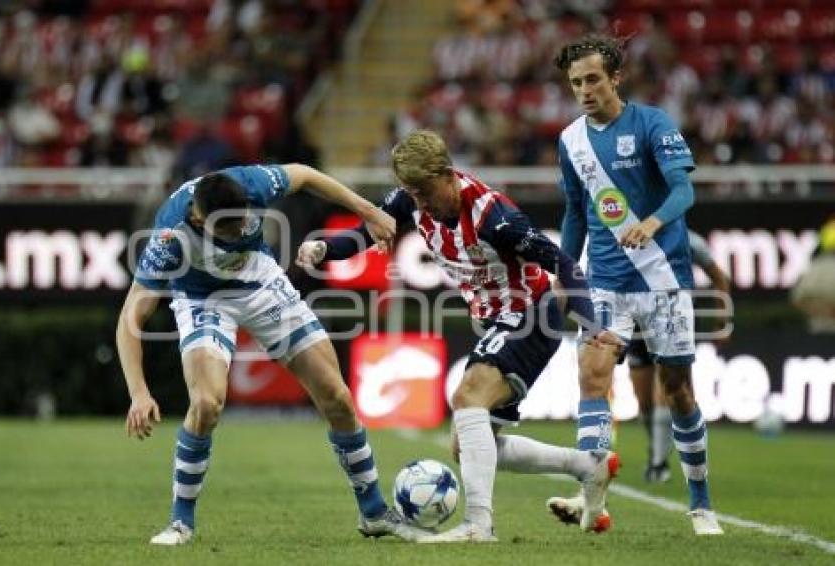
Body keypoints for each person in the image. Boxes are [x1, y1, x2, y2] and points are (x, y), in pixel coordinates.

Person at [296, 130, 622, 543]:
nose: (420, 203)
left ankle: (478, 526)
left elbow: (567, 266)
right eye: (412, 194)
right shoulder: (410, 202)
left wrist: (592, 327)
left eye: (425, 192)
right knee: (467, 446)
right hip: (498, 321)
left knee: (467, 397)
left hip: (530, 316)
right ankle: (588, 466)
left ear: (447, 174)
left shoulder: (494, 216)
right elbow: (363, 234)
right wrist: (324, 249)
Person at [115, 163, 426, 545]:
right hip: (204, 299)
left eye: (242, 222)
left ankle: (374, 513)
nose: (239, 231)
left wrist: (369, 211)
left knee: (338, 398)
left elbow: (306, 175)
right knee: (207, 404)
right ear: (198, 218)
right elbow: (131, 316)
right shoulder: (169, 236)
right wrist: (138, 393)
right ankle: (181, 522)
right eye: (226, 230)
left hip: (261, 283)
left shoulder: (251, 184)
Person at [547, 34, 723, 535]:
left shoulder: (652, 123)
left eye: (593, 79)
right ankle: (590, 501)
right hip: (605, 284)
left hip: (664, 279)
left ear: (615, 78)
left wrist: (650, 222)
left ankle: (701, 502)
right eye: (576, 82)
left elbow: (684, 189)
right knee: (593, 377)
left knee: (678, 392)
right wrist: (566, 271)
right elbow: (576, 213)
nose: (584, 90)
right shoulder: (570, 141)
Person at [631, 231, 731, 483]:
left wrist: (724, 318)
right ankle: (657, 448)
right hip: (636, 321)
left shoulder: (688, 239)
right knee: (644, 401)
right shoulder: (629, 232)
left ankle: (658, 463)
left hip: (675, 317)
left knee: (666, 389)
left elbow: (719, 278)